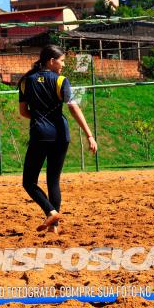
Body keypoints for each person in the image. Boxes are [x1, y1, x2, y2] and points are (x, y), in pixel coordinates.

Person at [18, 44, 97, 233]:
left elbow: (23, 112)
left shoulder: (25, 81)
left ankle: (50, 211)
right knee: (53, 180)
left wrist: (39, 118)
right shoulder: (61, 81)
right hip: (61, 135)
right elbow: (73, 107)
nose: (62, 65)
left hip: (40, 135)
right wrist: (89, 135)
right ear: (51, 61)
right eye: (61, 61)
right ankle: (54, 227)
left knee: (29, 182)